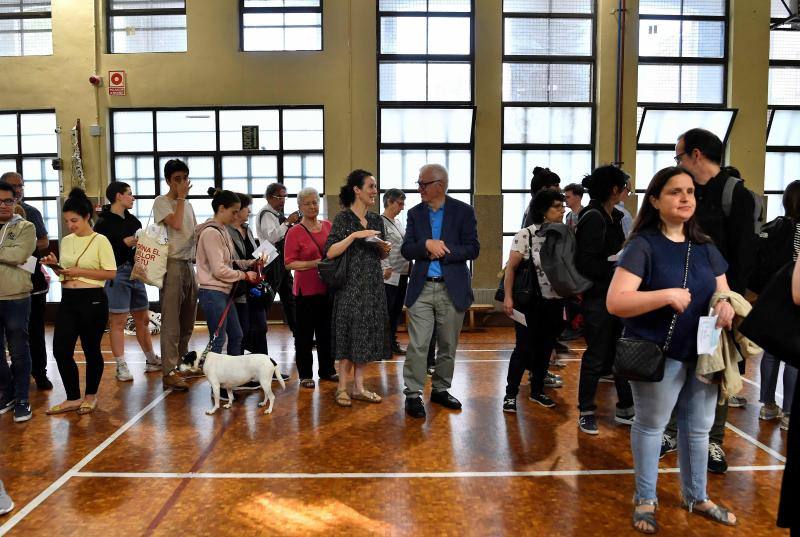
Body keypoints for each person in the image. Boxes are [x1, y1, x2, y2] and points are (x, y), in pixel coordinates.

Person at [607, 166, 738, 533]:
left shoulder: (706, 246)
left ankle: (697, 496)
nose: (685, 198)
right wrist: (665, 296)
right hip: (657, 354)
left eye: (690, 192)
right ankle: (645, 498)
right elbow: (616, 302)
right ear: (654, 201)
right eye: (675, 192)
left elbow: (722, 291)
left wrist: (725, 305)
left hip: (703, 352)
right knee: (651, 427)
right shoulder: (642, 246)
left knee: (698, 430)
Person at [664, 128, 758, 473]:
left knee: (714, 370)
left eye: (679, 156)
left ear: (697, 155)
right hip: (679, 298)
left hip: (718, 302)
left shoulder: (736, 195)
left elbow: (745, 256)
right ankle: (672, 432)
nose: (678, 164)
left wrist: (730, 301)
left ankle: (713, 441)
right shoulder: (685, 193)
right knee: (676, 364)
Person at [401, 164, 480, 418]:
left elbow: (472, 248)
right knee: (418, 345)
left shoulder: (464, 212)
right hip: (422, 289)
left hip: (452, 289)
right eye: (419, 183)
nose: (419, 189)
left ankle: (440, 389)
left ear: (440, 185)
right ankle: (413, 394)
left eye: (424, 184)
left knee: (448, 345)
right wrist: (425, 245)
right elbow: (406, 249)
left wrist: (444, 249)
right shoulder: (414, 213)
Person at [42, 188, 116, 415]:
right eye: (66, 221)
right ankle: (73, 397)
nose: (70, 225)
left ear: (86, 217)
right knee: (61, 350)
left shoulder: (100, 240)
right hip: (68, 299)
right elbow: (65, 275)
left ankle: (90, 396)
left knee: (91, 349)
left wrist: (79, 270)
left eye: (74, 220)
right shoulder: (66, 241)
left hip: (92, 300)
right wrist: (55, 267)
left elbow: (110, 273)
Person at [575, 164, 634, 435]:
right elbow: (585, 262)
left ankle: (625, 407)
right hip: (599, 298)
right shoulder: (594, 217)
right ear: (614, 189)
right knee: (597, 355)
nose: (627, 189)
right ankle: (586, 410)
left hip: (615, 296)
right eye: (624, 185)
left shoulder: (611, 215)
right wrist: (615, 265)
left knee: (620, 352)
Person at [325, 171, 391, 406]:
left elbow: (381, 253)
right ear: (357, 190)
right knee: (347, 335)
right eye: (371, 186)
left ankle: (359, 387)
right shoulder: (343, 219)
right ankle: (342, 387)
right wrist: (354, 235)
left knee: (365, 336)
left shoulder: (376, 220)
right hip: (349, 287)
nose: (375, 191)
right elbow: (330, 252)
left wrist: (384, 248)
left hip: (373, 285)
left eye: (375, 186)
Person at [502, 189, 568, 413]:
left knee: (545, 347)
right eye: (556, 206)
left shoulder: (563, 234)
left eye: (563, 206)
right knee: (523, 348)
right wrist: (508, 298)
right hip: (529, 302)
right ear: (543, 211)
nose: (562, 210)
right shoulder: (526, 235)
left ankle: (537, 391)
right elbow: (511, 268)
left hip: (554, 301)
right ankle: (510, 394)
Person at [94, 181, 161, 382]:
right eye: (129, 194)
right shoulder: (103, 223)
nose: (133, 197)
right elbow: (101, 254)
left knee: (143, 318)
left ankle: (150, 359)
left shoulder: (134, 222)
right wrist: (122, 244)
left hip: (135, 272)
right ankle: (121, 365)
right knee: (118, 321)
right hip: (117, 274)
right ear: (118, 196)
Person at [0, 171, 52, 390]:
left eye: (21, 186)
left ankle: (40, 373)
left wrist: (23, 246)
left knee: (34, 332)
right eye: (14, 186)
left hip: (31, 281)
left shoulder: (31, 214)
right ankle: (8, 385)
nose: (19, 189)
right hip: (4, 286)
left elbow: (43, 242)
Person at [196, 189, 260, 361]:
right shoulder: (211, 232)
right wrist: (244, 275)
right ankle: (218, 386)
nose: (236, 216)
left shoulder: (222, 230)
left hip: (223, 292)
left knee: (237, 335)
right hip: (212, 292)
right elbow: (219, 270)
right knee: (218, 340)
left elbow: (228, 262)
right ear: (221, 208)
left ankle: (232, 379)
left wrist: (248, 263)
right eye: (234, 212)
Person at [756, 180, 800, 430]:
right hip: (795, 297)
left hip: (771, 296)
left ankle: (767, 405)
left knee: (771, 352)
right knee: (794, 355)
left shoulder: (773, 227)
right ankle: (789, 413)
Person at [284, 187, 337, 388]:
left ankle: (327, 370)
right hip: (304, 292)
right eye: (307, 203)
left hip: (327, 289)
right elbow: (289, 263)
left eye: (315, 202)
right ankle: (305, 374)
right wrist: (315, 263)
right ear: (299, 207)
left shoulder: (328, 226)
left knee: (326, 333)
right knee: (304, 336)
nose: (312, 206)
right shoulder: (294, 232)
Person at [154, 159, 197, 392]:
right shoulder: (162, 202)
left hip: (189, 264)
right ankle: (169, 371)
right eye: (177, 179)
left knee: (188, 319)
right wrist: (180, 197)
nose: (182, 183)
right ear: (169, 180)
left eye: (184, 178)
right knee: (171, 321)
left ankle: (183, 363)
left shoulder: (187, 204)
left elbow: (193, 233)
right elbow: (178, 225)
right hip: (171, 265)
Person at [0, 181, 36, 422]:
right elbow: (9, 255)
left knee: (19, 350)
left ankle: (22, 399)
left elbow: (20, 255)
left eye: (8, 201)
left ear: (16, 202)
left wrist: (10, 254)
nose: (3, 205)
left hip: (16, 297)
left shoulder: (26, 226)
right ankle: (8, 392)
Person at [256, 183, 299, 335]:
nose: (283, 200)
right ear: (269, 197)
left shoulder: (276, 214)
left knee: (290, 296)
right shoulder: (266, 213)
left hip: (279, 258)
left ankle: (298, 332)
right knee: (268, 296)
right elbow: (272, 237)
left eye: (284, 197)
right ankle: (258, 331)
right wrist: (288, 222)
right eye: (279, 197)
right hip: (270, 257)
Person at [380, 188, 411, 356]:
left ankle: (392, 342)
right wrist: (385, 266)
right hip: (389, 274)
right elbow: (380, 246)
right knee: (387, 311)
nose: (402, 207)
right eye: (400, 203)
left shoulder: (398, 222)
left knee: (396, 311)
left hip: (403, 272)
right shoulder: (380, 221)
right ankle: (384, 345)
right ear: (389, 202)